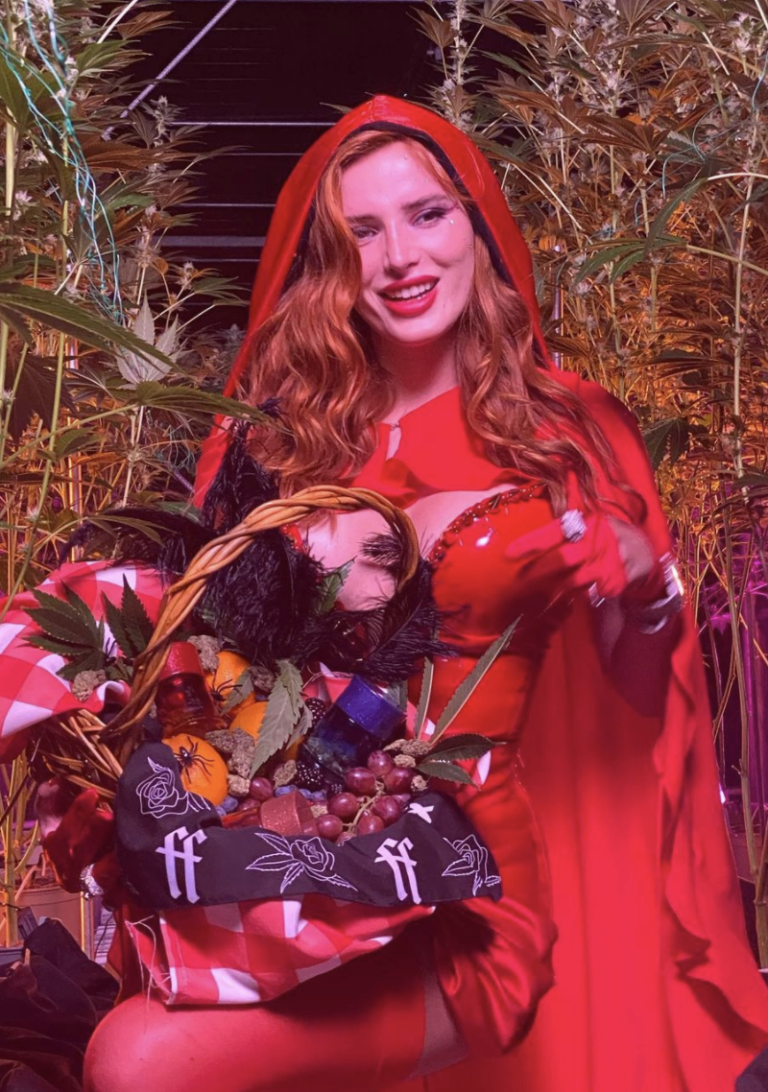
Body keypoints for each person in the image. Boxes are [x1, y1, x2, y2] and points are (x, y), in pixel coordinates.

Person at [1, 95, 766, 1092]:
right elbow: (201, 656)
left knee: (144, 1063)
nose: (401, 256)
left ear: (479, 229)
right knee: (140, 1057)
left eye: (428, 214)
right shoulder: (270, 438)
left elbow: (642, 706)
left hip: (495, 863)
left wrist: (644, 590)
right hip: (304, 864)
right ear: (327, 259)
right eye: (362, 230)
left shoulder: (572, 431)